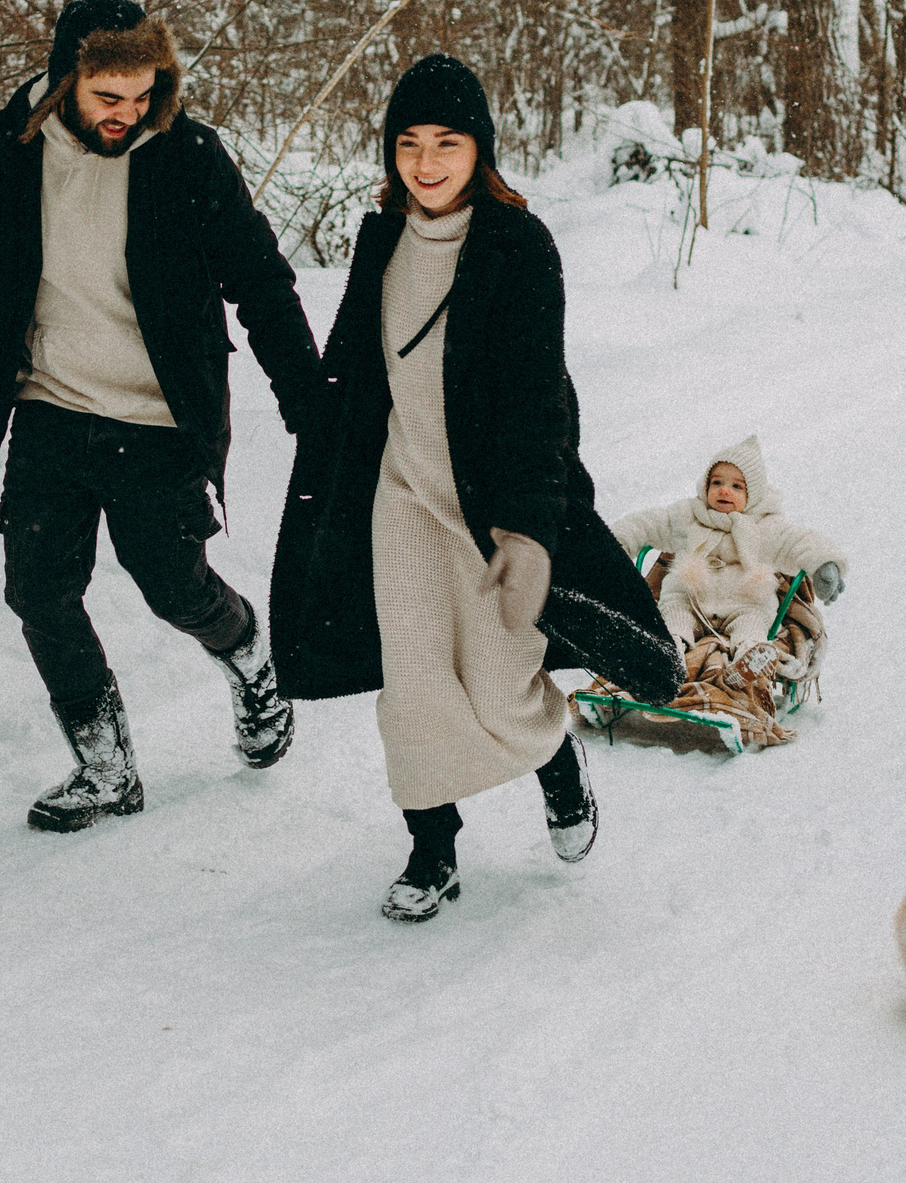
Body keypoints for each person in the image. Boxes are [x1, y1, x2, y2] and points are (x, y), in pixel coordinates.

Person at [0, 0, 326, 832]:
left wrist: (306, 397)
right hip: (48, 405)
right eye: (107, 97)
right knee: (37, 586)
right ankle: (105, 765)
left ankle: (248, 650)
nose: (127, 114)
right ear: (62, 79)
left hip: (158, 416)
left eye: (142, 94)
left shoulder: (186, 157)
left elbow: (260, 279)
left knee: (169, 584)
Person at [270, 55, 680, 923]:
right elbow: (358, 361)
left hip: (491, 507)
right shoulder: (380, 238)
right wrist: (317, 422)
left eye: (446, 143)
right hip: (403, 496)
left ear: (478, 149)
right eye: (408, 143)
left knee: (501, 682)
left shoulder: (518, 247)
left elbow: (540, 401)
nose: (425, 162)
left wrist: (529, 530)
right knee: (413, 683)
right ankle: (432, 846)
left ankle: (559, 763)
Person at [610, 435, 848, 674]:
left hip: (743, 602)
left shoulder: (765, 525)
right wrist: (616, 542)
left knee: (752, 623)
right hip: (690, 599)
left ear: (752, 494)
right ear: (705, 486)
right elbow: (648, 523)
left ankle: (750, 658)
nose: (724, 490)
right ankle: (670, 653)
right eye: (716, 483)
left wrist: (823, 563)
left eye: (736, 486)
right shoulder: (688, 515)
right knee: (674, 616)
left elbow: (798, 542)